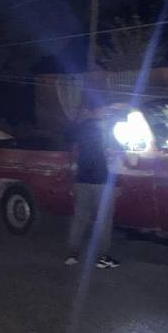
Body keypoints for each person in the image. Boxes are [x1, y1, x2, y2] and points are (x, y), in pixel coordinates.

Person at [65, 103, 121, 269]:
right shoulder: (107, 129)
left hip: (82, 179)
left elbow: (69, 141)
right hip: (102, 181)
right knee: (103, 220)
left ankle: (72, 255)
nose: (107, 111)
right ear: (100, 110)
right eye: (105, 108)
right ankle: (102, 258)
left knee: (79, 218)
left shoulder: (82, 127)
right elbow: (111, 153)